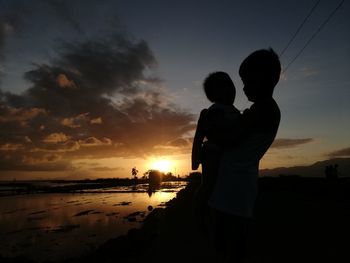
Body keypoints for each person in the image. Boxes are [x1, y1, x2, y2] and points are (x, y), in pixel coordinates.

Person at [208, 48, 281, 262]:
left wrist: (211, 131)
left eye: (247, 81)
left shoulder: (264, 110)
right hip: (237, 180)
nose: (243, 87)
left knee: (229, 242)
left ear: (266, 79)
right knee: (230, 240)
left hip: (236, 184)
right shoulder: (260, 109)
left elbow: (230, 138)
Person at [191, 71, 241, 237]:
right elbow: (204, 133)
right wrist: (196, 158)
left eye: (230, 84)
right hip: (213, 154)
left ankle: (212, 219)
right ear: (213, 95)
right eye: (223, 86)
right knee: (209, 186)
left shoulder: (232, 110)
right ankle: (199, 214)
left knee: (219, 189)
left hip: (225, 156)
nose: (229, 89)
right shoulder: (216, 110)